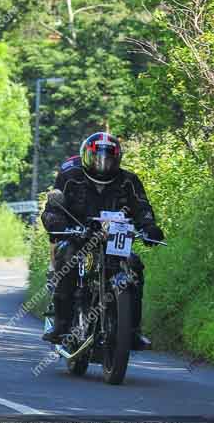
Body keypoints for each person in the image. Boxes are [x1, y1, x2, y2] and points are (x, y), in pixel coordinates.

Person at [40, 132, 164, 347]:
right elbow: (53, 207)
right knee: (67, 256)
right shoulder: (71, 176)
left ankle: (132, 330)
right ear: (86, 156)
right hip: (79, 234)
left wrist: (149, 227)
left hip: (115, 238)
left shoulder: (129, 181)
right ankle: (62, 323)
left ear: (117, 159)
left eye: (108, 159)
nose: (102, 164)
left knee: (133, 264)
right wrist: (56, 221)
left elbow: (142, 207)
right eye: (98, 158)